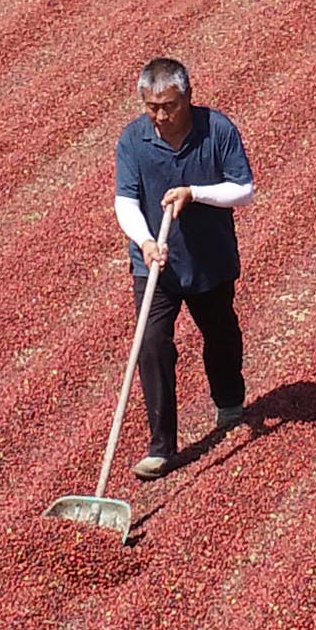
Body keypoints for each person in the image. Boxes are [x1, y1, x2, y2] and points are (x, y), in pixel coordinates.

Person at [113, 56, 256, 476]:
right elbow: (126, 201)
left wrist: (194, 193)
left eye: (169, 105)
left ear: (188, 97)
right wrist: (144, 242)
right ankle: (162, 446)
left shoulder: (218, 130)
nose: (160, 115)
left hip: (209, 260)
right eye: (152, 106)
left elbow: (243, 190)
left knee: (221, 334)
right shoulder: (133, 141)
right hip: (155, 264)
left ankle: (229, 401)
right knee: (152, 345)